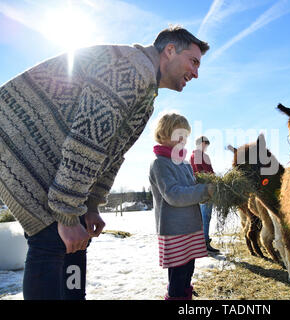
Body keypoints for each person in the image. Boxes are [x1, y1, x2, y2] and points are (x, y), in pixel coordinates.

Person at [0, 25, 209, 300]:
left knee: (75, 239)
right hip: (17, 145)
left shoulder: (145, 90)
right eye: (193, 61)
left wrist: (91, 204)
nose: (196, 73)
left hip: (46, 157)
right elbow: (87, 140)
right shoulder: (130, 70)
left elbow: (112, 150)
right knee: (52, 240)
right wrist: (65, 211)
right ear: (170, 50)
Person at [149, 113, 214, 300]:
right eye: (179, 134)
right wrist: (203, 191)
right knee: (178, 272)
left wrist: (209, 189)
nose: (184, 139)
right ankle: (177, 296)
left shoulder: (184, 163)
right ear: (163, 134)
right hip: (174, 229)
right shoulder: (159, 163)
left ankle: (185, 293)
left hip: (190, 226)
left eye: (186, 135)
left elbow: (192, 188)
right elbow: (174, 194)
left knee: (188, 269)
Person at [190, 136, 219, 253]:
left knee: (204, 217)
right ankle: (204, 243)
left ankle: (202, 242)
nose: (206, 146)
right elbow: (204, 173)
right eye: (205, 143)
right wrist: (214, 180)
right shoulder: (198, 156)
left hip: (201, 189)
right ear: (200, 143)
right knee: (205, 217)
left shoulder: (196, 155)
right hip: (205, 189)